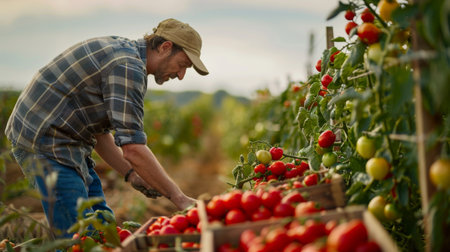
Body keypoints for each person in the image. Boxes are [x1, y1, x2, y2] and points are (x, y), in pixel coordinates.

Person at [5, 18, 208, 238]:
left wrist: (132, 175)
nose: (181, 75)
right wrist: (179, 198)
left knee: (104, 226)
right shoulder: (127, 67)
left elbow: (101, 133)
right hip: (44, 141)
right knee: (80, 236)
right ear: (165, 47)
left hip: (71, 141)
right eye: (183, 65)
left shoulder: (127, 57)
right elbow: (133, 149)